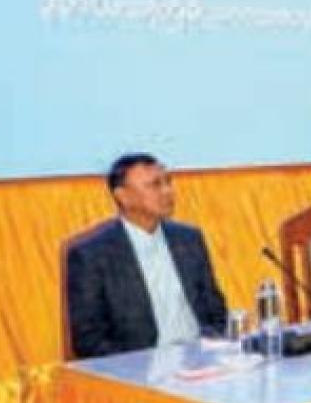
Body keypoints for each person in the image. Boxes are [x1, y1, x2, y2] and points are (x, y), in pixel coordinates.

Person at [65, 153, 228, 359]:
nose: (167, 191)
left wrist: (209, 349)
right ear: (123, 196)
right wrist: (142, 365)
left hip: (199, 359)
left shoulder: (188, 238)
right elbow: (89, 340)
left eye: (168, 182)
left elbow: (215, 310)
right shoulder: (91, 254)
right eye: (154, 185)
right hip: (138, 367)